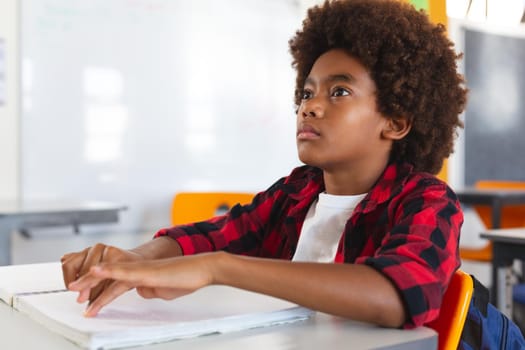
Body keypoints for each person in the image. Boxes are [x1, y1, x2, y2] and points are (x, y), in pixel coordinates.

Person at [63, 0, 467, 329]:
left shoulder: (426, 202)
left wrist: (216, 269)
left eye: (339, 91)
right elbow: (213, 235)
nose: (310, 106)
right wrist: (138, 259)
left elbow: (396, 296)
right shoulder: (296, 193)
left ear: (395, 121)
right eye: (306, 93)